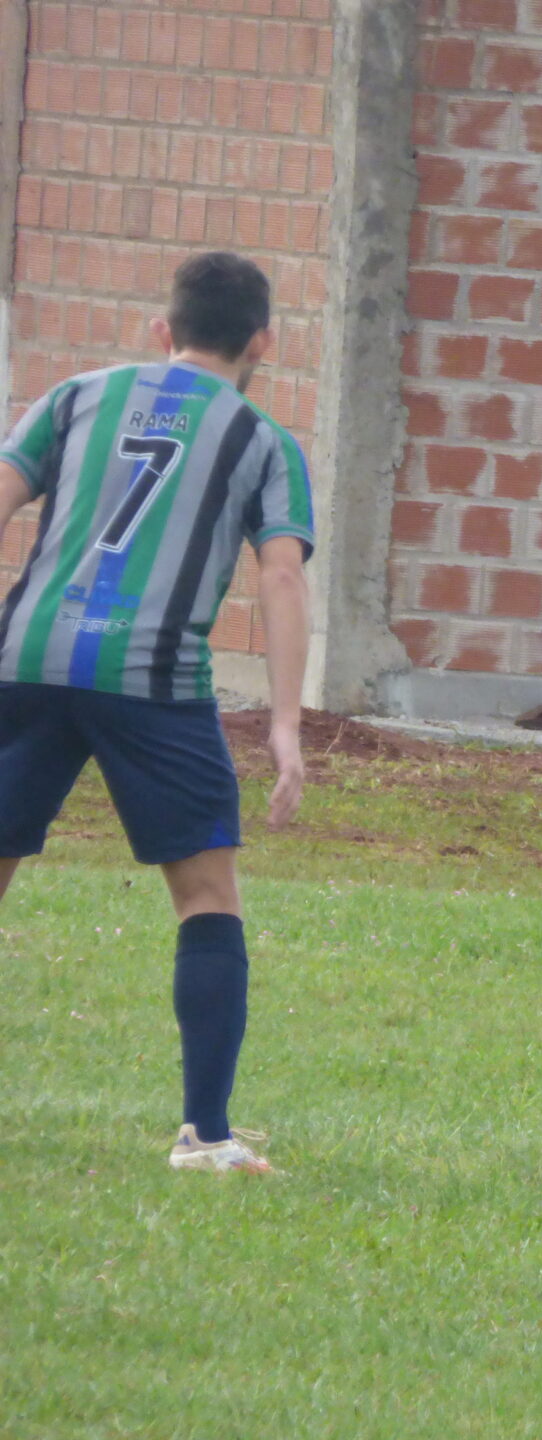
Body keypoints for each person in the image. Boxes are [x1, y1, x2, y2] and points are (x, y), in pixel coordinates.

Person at [0, 251, 315, 1170]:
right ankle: (205, 1137)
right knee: (207, 897)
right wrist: (285, 724)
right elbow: (282, 576)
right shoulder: (264, 442)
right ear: (263, 342)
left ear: (161, 330)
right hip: (154, 680)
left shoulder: (73, 398)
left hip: (26, 660)